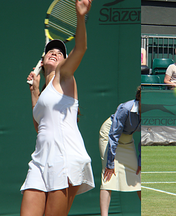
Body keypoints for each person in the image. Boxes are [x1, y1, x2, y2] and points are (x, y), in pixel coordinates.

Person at [21, 1, 94, 215]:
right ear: (42, 61)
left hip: (64, 157)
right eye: (50, 51)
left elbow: (81, 49)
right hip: (40, 159)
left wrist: (80, 17)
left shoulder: (64, 75)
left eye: (60, 52)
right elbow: (41, 127)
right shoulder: (42, 93)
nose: (54, 52)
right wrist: (34, 91)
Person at [99, 86, 141, 216]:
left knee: (138, 174)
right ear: (139, 98)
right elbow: (114, 135)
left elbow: (144, 138)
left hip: (127, 139)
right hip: (109, 135)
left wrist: (139, 161)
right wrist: (110, 163)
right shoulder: (125, 108)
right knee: (108, 175)